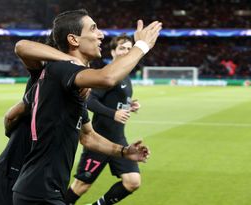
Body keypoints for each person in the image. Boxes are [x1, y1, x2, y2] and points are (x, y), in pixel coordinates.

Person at [12, 9, 162, 205]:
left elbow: (88, 136)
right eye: (94, 29)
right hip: (38, 193)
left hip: (44, 190)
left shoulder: (75, 87)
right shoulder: (62, 69)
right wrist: (142, 45)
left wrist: (124, 152)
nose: (101, 34)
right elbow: (107, 78)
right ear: (74, 40)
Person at [0, 36, 85, 205]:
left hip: (34, 177)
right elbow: (22, 46)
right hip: (13, 172)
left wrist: (122, 151)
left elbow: (88, 136)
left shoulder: (72, 90)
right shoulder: (44, 76)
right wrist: (71, 59)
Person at [66, 34, 142, 205]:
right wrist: (112, 114)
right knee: (81, 186)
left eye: (130, 49)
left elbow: (115, 101)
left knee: (133, 182)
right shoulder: (109, 74)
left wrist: (131, 105)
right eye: (122, 48)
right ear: (113, 52)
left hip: (118, 138)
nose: (127, 51)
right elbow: (90, 100)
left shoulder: (126, 75)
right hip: (99, 140)